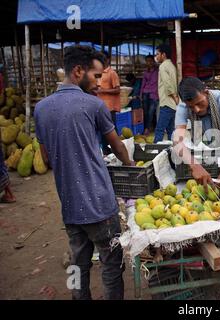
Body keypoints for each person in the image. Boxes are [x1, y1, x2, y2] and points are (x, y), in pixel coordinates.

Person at [34, 45, 133, 300]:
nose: (99, 83)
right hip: (100, 203)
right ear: (78, 71)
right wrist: (130, 166)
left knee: (79, 263)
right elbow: (117, 145)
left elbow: (46, 158)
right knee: (112, 264)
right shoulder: (93, 105)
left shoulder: (41, 108)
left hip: (69, 203)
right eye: (96, 76)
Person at [173, 77, 220, 187]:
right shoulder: (183, 107)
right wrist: (195, 166)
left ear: (206, 92)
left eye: (200, 103)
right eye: (191, 107)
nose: (196, 110)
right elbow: (177, 140)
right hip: (200, 149)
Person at [95, 51, 121, 154]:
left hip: (110, 107)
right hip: (99, 107)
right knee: (102, 132)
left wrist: (103, 90)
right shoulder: (98, 72)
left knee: (111, 131)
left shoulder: (112, 73)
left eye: (103, 58)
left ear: (108, 59)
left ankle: (116, 151)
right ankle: (106, 152)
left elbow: (117, 89)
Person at [154, 44, 179, 143]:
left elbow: (168, 84)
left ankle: (155, 153)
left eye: (157, 54)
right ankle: (172, 151)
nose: (156, 56)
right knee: (170, 131)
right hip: (172, 104)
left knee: (160, 129)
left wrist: (174, 96)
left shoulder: (163, 66)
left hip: (167, 102)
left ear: (163, 55)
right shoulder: (171, 65)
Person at [140, 54, 159, 134]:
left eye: (151, 61)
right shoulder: (145, 73)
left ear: (154, 62)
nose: (149, 63)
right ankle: (146, 128)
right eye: (147, 61)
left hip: (154, 94)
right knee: (145, 112)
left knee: (151, 112)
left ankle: (147, 128)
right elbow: (143, 84)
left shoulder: (158, 72)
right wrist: (140, 94)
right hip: (145, 94)